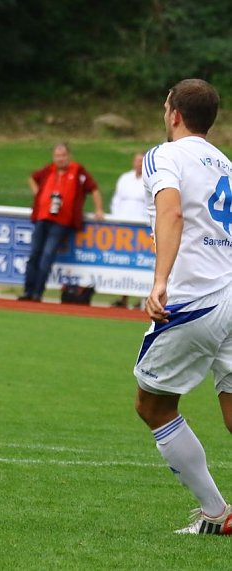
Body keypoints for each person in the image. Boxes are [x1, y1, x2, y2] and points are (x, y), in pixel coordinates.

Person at [134, 78, 232, 535]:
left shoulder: (164, 155)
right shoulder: (227, 166)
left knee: (153, 406)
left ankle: (217, 512)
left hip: (197, 299)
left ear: (173, 112)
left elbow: (171, 212)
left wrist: (160, 282)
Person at [18, 143, 104, 301]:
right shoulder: (49, 170)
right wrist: (39, 195)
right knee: (33, 254)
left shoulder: (77, 171)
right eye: (57, 156)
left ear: (68, 156)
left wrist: (99, 209)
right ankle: (27, 290)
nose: (60, 159)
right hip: (42, 217)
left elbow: (94, 188)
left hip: (61, 221)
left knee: (47, 255)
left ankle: (37, 292)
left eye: (63, 155)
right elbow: (32, 178)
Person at [110, 151, 147, 309]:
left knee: (142, 262)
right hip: (124, 228)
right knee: (124, 262)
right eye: (137, 161)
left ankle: (143, 298)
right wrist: (117, 219)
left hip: (143, 229)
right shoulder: (125, 179)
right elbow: (116, 200)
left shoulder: (150, 180)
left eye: (142, 161)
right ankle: (123, 297)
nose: (139, 164)